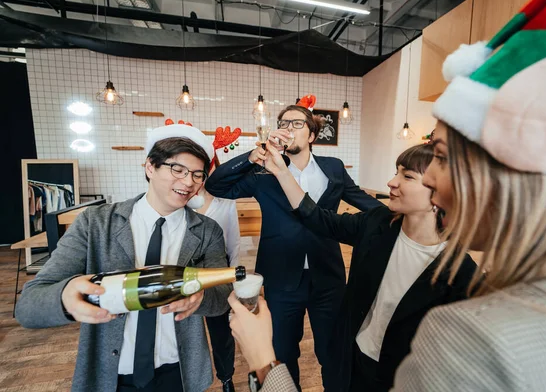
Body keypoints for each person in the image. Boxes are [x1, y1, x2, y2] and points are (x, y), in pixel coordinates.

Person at [230, 0, 546, 391]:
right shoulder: (382, 228)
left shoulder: (473, 327)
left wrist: (264, 363)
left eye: (439, 158)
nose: (429, 179)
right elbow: (317, 217)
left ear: (498, 169)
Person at [231, 143, 476, 391]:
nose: (391, 182)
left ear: (442, 193)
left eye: (407, 176)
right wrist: (283, 173)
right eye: (396, 171)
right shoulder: (378, 223)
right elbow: (318, 218)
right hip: (350, 358)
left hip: (398, 378)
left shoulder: (460, 274)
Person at [15, 124, 232, 392]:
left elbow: (222, 297)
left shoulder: (207, 230)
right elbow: (28, 306)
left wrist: (202, 297)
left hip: (179, 371)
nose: (188, 182)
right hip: (110, 374)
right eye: (178, 169)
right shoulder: (96, 223)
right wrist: (65, 296)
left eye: (198, 175)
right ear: (150, 167)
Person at [205, 97, 383, 390]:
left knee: (332, 351)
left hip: (328, 277)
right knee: (284, 353)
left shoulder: (333, 168)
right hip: (281, 277)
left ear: (311, 135)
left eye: (296, 123)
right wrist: (255, 154)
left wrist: (400, 215)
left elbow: (362, 200)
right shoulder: (263, 172)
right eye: (283, 123)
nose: (288, 128)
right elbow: (216, 185)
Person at [198, 154, 241, 392]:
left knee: (221, 331)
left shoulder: (226, 202)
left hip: (219, 271)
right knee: (191, 327)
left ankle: (226, 377)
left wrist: (233, 279)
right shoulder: (182, 200)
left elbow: (233, 244)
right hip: (189, 270)